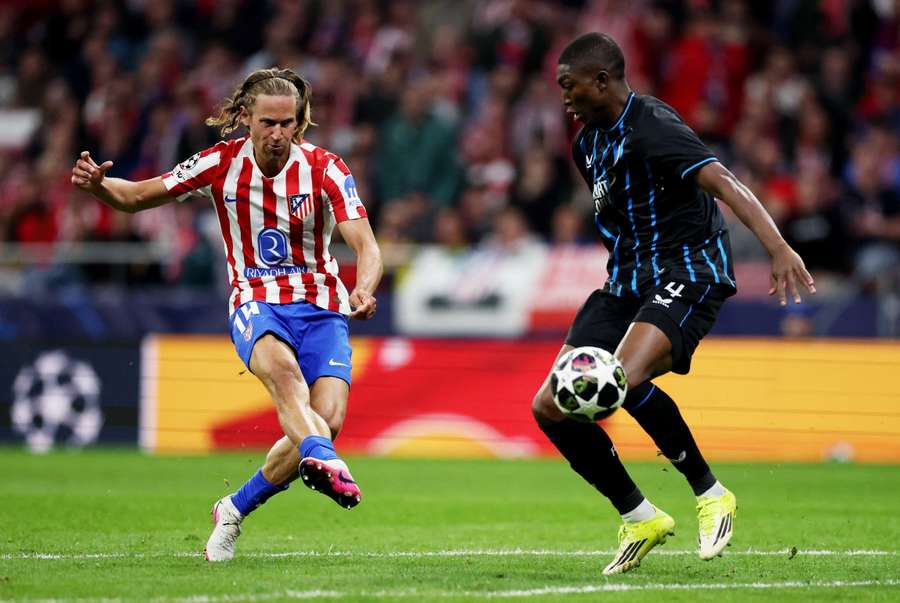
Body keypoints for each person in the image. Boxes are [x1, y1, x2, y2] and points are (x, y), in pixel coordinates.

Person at [70, 67, 383, 562]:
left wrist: (363, 289)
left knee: (325, 420)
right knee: (286, 383)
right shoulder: (219, 163)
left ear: (299, 123)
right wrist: (99, 188)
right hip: (255, 301)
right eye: (267, 123)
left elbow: (366, 245)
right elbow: (135, 198)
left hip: (322, 308)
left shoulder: (327, 168)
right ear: (245, 118)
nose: (278, 134)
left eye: (287, 124)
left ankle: (235, 508)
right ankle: (325, 461)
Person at [533, 33, 816, 576]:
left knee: (619, 379)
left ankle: (711, 494)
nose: (564, 98)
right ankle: (639, 515)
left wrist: (777, 247)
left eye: (570, 86)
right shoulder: (585, 145)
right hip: (624, 284)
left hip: (688, 273)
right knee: (548, 406)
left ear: (602, 81)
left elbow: (725, 183)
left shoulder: (653, 127)